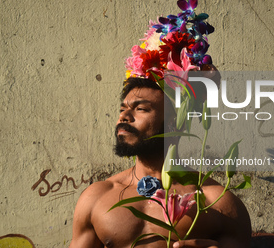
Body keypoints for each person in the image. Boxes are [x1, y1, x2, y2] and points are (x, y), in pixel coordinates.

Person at [69, 77, 252, 248]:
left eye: (140, 109)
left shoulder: (217, 202)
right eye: (122, 109)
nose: (124, 116)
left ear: (175, 123)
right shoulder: (97, 196)